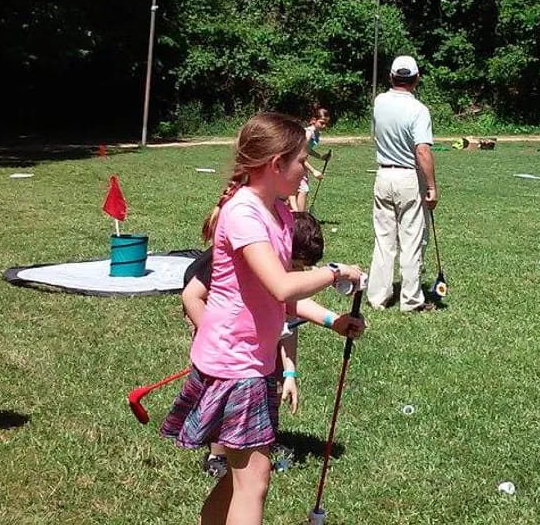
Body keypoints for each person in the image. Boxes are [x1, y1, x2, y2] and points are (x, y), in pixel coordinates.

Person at [165, 112, 365, 525]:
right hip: (234, 364)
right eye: (300, 162)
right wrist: (334, 273)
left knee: (243, 478)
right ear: (276, 165)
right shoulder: (243, 215)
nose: (305, 171)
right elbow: (281, 286)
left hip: (252, 363)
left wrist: (334, 321)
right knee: (254, 480)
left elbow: (277, 300)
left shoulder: (278, 213)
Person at [164, 211, 333, 479]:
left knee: (268, 377)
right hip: (211, 317)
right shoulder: (238, 258)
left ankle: (258, 438)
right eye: (296, 265)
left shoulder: (275, 272)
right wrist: (217, 339)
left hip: (249, 322)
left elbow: (288, 320)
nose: (298, 273)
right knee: (223, 389)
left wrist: (290, 372)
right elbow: (192, 297)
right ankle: (217, 453)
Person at [367, 55, 438, 313]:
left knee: (384, 239)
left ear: (391, 77)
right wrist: (431, 186)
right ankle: (410, 299)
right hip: (408, 175)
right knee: (411, 239)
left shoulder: (379, 102)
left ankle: (377, 297)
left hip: (383, 174)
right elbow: (422, 151)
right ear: (416, 79)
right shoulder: (418, 110)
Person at [289, 106, 331, 212]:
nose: (324, 126)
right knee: (302, 189)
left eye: (326, 123)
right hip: (294, 163)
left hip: (300, 163)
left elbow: (307, 150)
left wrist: (320, 157)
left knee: (300, 189)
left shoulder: (316, 134)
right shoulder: (308, 133)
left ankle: (297, 216)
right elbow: (300, 155)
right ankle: (300, 217)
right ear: (314, 120)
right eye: (321, 122)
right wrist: (314, 171)